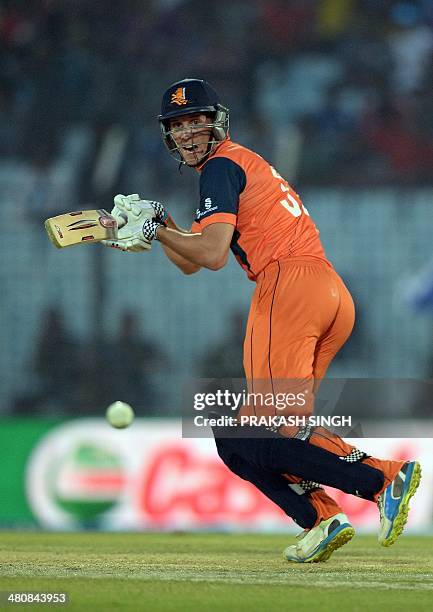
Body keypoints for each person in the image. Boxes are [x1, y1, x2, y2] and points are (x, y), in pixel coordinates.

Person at [104, 78, 421, 562]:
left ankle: (381, 479)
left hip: (287, 287)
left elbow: (210, 256)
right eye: (178, 125)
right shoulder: (233, 166)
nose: (188, 133)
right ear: (169, 135)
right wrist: (161, 226)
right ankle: (321, 517)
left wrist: (152, 230)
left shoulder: (220, 167)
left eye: (196, 121)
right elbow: (189, 260)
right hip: (330, 292)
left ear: (216, 123)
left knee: (261, 430)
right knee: (242, 437)